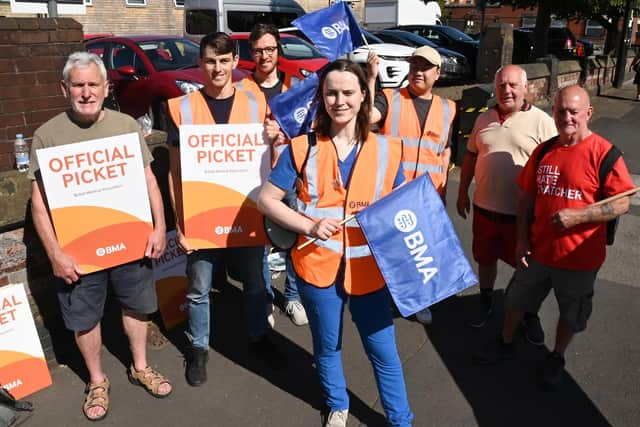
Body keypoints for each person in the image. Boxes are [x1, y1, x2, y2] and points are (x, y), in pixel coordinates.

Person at [258, 59, 414, 427]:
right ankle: (337, 404)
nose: (339, 100)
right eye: (331, 92)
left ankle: (401, 420)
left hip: (368, 271)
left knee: (384, 351)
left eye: (348, 92)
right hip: (316, 267)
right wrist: (309, 226)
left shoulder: (389, 150)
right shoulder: (301, 147)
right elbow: (267, 199)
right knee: (328, 347)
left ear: (364, 96)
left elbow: (404, 209)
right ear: (321, 97)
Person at [29, 52, 172, 422]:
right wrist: (55, 254)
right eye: (78, 85)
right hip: (80, 251)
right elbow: (38, 204)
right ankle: (96, 380)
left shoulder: (126, 126)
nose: (87, 92)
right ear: (65, 88)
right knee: (84, 319)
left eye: (94, 84)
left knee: (137, 306)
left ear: (106, 87)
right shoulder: (47, 135)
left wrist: (159, 227)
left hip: (130, 241)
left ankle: (140, 366)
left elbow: (149, 181)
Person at [473, 85, 635, 389]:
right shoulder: (545, 150)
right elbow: (525, 199)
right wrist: (521, 240)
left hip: (579, 259)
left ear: (589, 113)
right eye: (560, 110)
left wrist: (581, 215)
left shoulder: (604, 153)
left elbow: (623, 201)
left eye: (574, 111)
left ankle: (557, 356)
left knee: (571, 312)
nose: (567, 117)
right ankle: (506, 342)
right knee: (516, 299)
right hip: (537, 251)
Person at [166, 32, 286, 387]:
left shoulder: (256, 103)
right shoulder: (181, 109)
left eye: (224, 60)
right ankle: (199, 348)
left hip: (247, 215)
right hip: (202, 220)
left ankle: (259, 338)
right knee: (199, 289)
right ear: (200, 63)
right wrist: (180, 225)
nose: (217, 68)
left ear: (235, 62)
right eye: (210, 61)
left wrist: (275, 138)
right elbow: (175, 176)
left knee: (254, 283)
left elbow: (271, 163)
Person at [456, 65, 557, 340]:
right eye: (501, 85)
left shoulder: (542, 122)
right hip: (484, 208)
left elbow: (553, 166)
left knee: (526, 269)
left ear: (526, 88)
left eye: (513, 85)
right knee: (485, 260)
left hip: (521, 216)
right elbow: (470, 157)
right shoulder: (483, 119)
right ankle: (486, 300)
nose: (507, 90)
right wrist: (462, 191)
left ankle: (528, 313)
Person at [370, 45, 456, 325]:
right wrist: (371, 79)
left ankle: (419, 301)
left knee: (422, 252)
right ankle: (384, 298)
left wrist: (442, 188)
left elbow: (445, 150)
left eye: (425, 67)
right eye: (415, 65)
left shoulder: (448, 108)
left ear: (437, 73)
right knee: (391, 250)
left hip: (428, 195)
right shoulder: (390, 98)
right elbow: (368, 118)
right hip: (393, 192)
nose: (418, 71)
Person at [239, 23, 308, 327]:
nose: (264, 55)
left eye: (270, 49)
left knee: (296, 239)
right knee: (259, 242)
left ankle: (292, 297)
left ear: (279, 50)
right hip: (253, 176)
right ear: (251, 53)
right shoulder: (242, 89)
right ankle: (265, 297)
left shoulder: (296, 87)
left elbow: (312, 130)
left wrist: (286, 133)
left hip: (291, 175)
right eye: (258, 50)